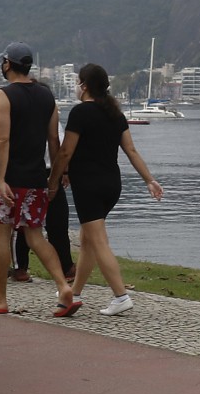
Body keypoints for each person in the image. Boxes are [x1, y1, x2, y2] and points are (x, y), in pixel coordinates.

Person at [0, 42, 80, 317]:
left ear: (7, 64)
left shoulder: (3, 95)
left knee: (1, 233)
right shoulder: (48, 97)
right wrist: (54, 179)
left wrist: (0, 179)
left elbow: (2, 139)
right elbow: (53, 142)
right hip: (37, 177)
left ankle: (0, 297)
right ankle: (63, 287)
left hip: (10, 178)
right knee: (35, 235)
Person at [56, 63, 164, 316]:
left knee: (98, 240)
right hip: (111, 185)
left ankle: (121, 296)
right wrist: (149, 179)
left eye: (78, 82)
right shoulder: (115, 114)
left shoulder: (80, 113)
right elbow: (131, 150)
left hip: (88, 186)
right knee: (88, 239)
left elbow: (66, 151)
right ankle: (76, 293)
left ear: (84, 85)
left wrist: (57, 176)